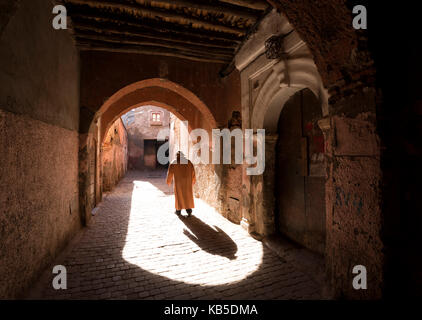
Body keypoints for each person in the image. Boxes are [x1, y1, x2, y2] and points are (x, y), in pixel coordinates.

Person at [166, 151, 196, 217]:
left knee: (179, 196)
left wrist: (169, 181)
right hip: (187, 182)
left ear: (177, 156)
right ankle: (189, 210)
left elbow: (170, 172)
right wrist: (193, 180)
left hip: (178, 182)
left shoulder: (174, 162)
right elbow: (193, 172)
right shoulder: (189, 162)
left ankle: (178, 211)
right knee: (187, 196)